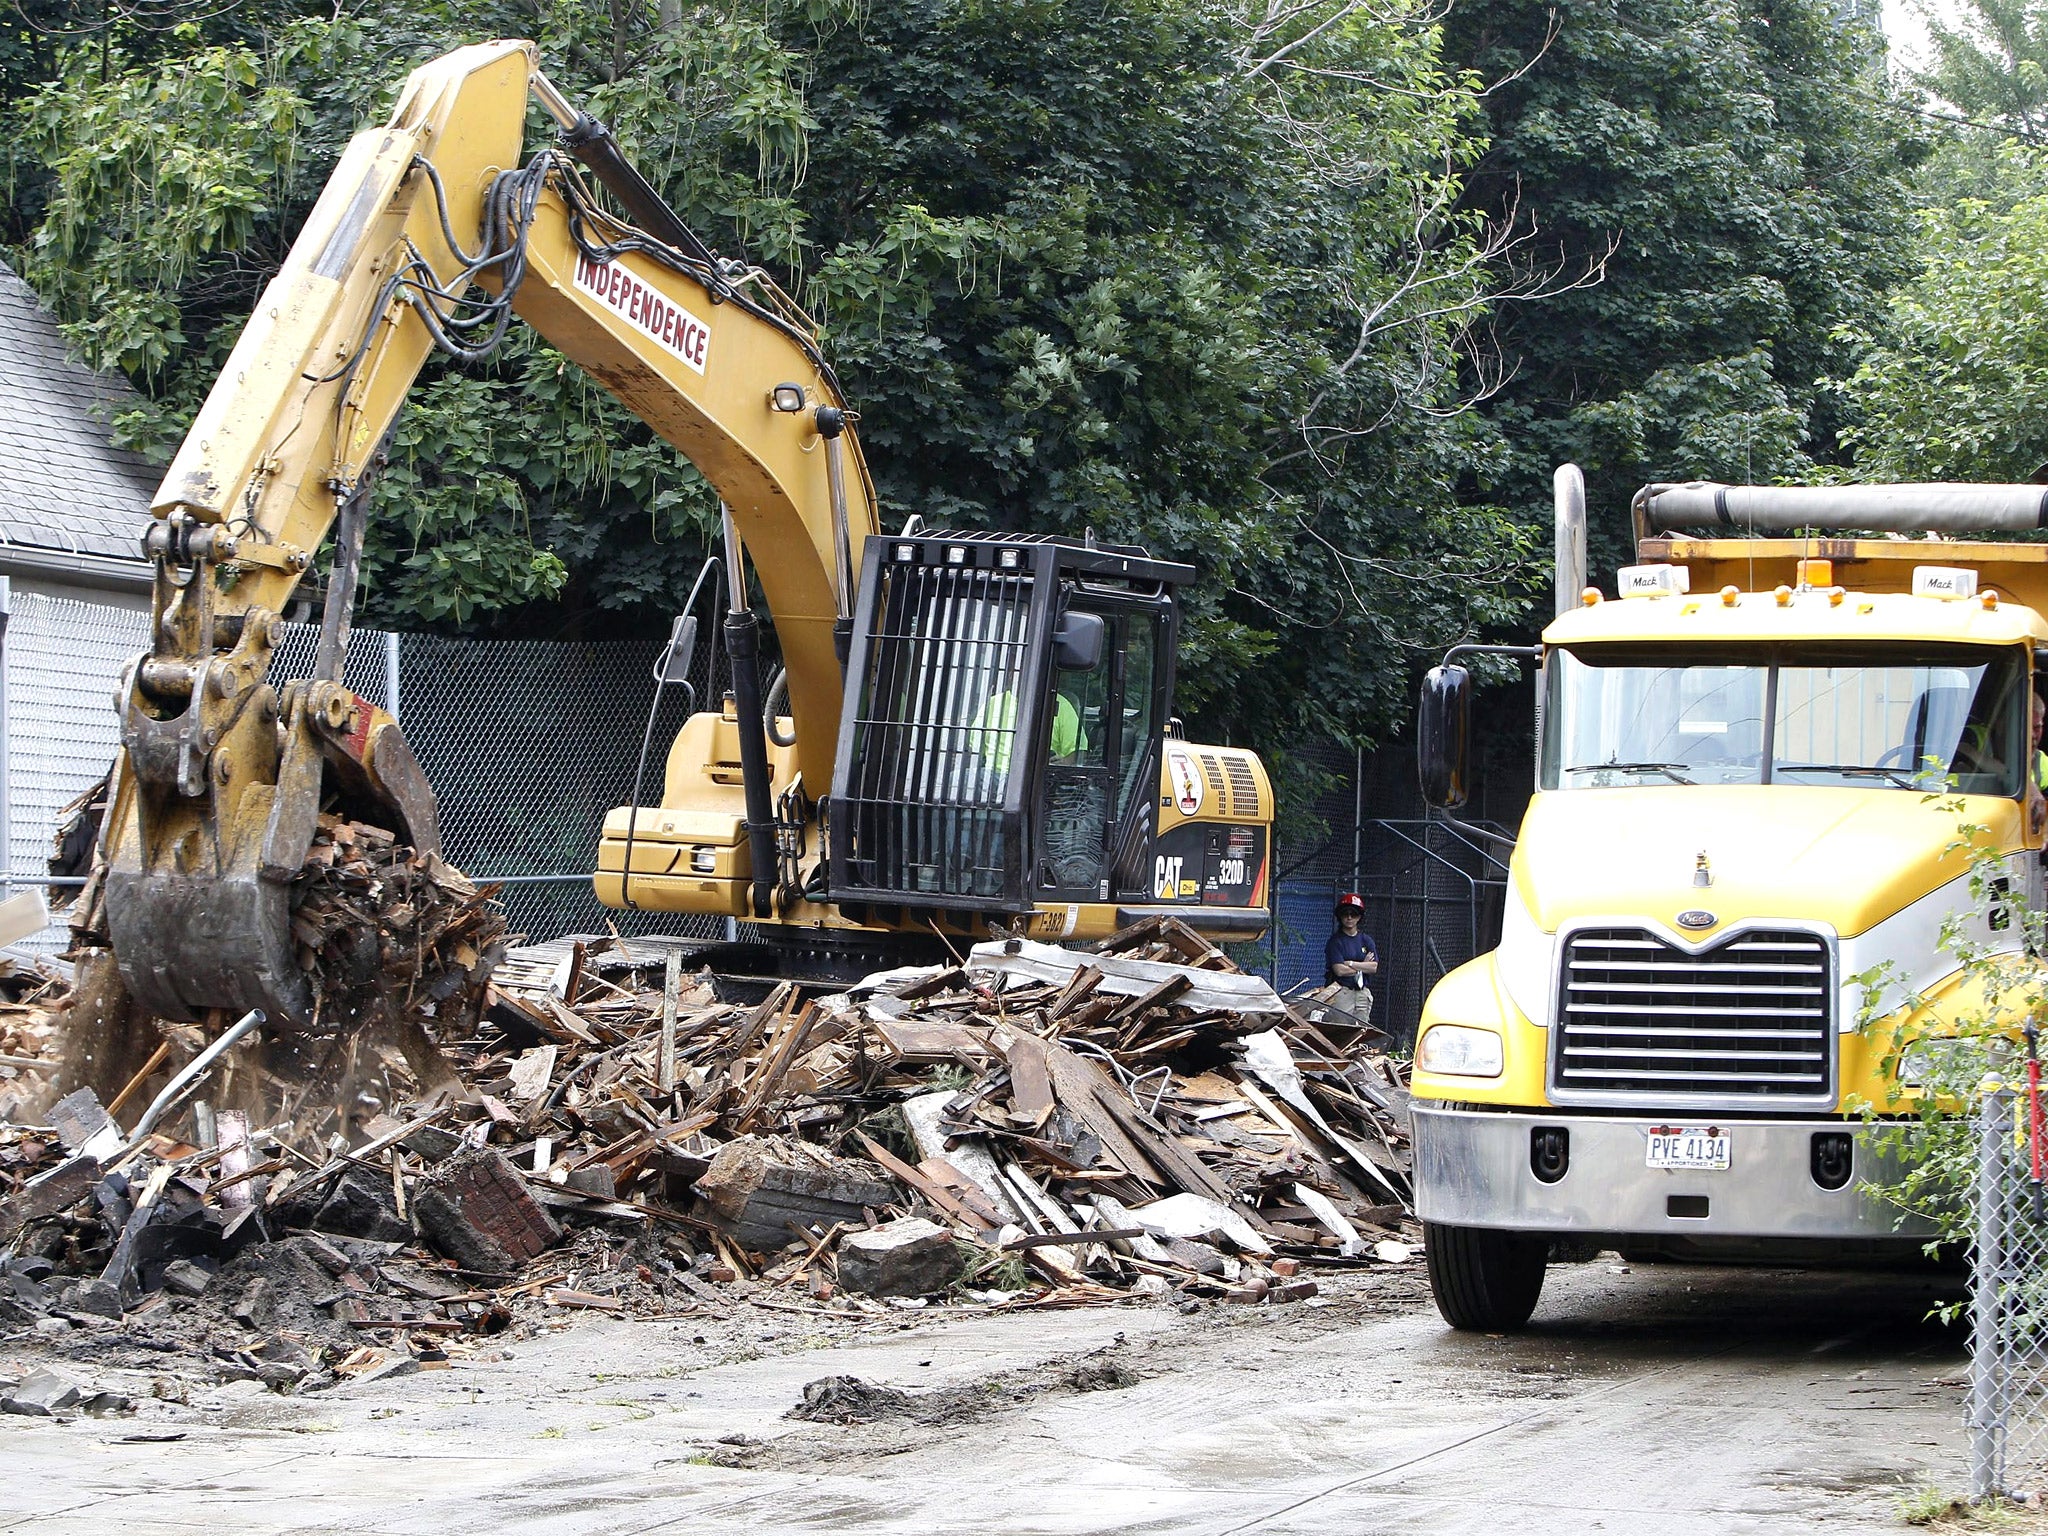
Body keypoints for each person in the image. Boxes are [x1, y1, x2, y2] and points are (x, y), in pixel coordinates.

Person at [1324, 893, 1379, 1021]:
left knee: (1362, 1029)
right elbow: (1339, 970)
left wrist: (1350, 963)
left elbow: (1374, 967)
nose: (1349, 918)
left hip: (1362, 992)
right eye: (1345, 914)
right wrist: (1363, 965)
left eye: (1353, 914)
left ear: (1359, 917)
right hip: (1342, 992)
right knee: (1341, 1029)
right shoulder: (1335, 941)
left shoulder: (1366, 940)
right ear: (1340, 917)